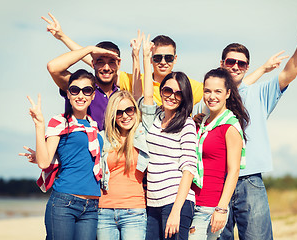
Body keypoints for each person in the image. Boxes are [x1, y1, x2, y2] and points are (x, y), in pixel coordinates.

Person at [218, 12, 297, 240]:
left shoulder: (259, 94)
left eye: (241, 63)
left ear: (246, 67)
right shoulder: (211, 97)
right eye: (230, 61)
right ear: (221, 63)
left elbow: (289, 71)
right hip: (216, 181)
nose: (235, 66)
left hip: (249, 180)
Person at [41, 13, 203, 106]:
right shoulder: (136, 80)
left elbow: (218, 95)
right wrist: (62, 37)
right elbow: (99, 64)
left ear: (175, 59)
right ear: (150, 58)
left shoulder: (190, 86)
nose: (163, 62)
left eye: (168, 57)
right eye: (158, 57)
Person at [25, 69, 103, 240]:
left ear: (93, 95)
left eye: (87, 90)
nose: (80, 95)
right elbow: (45, 162)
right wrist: (40, 124)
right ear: (68, 94)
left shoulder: (95, 126)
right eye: (75, 90)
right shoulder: (60, 122)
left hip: (92, 206)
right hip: (65, 202)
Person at [142, 35, 197, 240]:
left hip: (176, 203)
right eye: (167, 90)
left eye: (178, 93)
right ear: (161, 90)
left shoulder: (187, 124)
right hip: (153, 202)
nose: (172, 96)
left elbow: (189, 169)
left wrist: (176, 210)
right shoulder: (155, 118)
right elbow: (147, 94)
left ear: (184, 97)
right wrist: (146, 59)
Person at [189, 68, 249, 240]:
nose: (211, 96)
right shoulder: (203, 124)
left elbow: (234, 171)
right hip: (193, 202)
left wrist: (221, 209)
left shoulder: (230, 127)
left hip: (209, 206)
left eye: (218, 91)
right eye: (207, 91)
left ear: (228, 94)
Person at [97, 89, 155, 239]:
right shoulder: (103, 138)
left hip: (134, 211)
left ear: (136, 111)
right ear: (112, 115)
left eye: (129, 110)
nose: (125, 116)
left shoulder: (143, 133)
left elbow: (149, 101)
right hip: (104, 211)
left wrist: (142, 64)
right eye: (118, 112)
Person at [46, 42, 121, 130]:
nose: (106, 68)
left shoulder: (121, 97)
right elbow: (53, 67)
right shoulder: (80, 88)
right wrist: (89, 49)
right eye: (100, 62)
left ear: (118, 64)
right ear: (93, 64)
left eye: (111, 62)